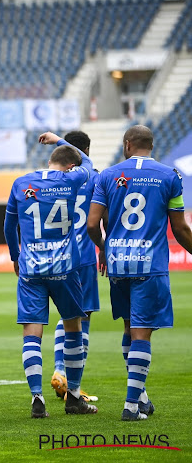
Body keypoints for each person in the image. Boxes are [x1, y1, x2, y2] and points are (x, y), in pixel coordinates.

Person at [87, 125, 192, 421]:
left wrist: (105, 249)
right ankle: (131, 407)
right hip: (150, 264)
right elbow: (180, 228)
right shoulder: (169, 176)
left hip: (119, 262)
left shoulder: (108, 175)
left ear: (127, 144)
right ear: (150, 145)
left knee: (129, 329)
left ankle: (141, 396)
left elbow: (93, 224)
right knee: (142, 333)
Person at [4, 132, 97, 418]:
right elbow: (89, 164)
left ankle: (37, 398)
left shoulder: (21, 183)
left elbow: (9, 226)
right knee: (74, 327)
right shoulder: (71, 179)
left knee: (31, 332)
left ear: (49, 161)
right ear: (71, 166)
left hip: (31, 268)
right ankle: (73, 397)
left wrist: (15, 257)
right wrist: (60, 140)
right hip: (64, 268)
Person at [49, 131, 99, 402]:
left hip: (59, 254)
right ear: (86, 150)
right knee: (84, 317)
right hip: (85, 254)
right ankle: (73, 382)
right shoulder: (92, 175)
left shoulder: (56, 180)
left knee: (66, 316)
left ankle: (60, 370)